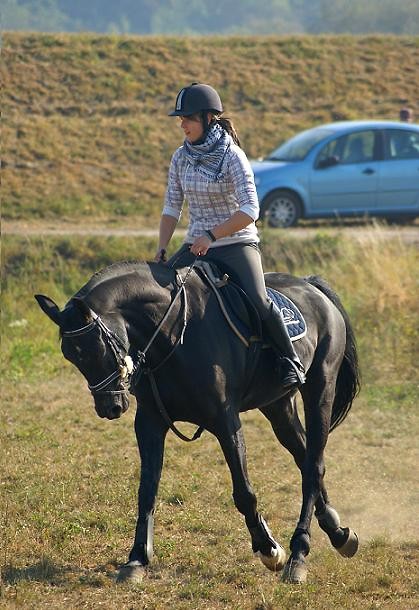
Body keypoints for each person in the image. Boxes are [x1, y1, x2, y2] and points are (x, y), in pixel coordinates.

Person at [154, 83, 305, 390]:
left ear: (209, 119)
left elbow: (251, 210)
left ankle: (291, 361)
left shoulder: (233, 156)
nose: (182, 124)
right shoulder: (180, 157)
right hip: (196, 243)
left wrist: (212, 235)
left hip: (236, 242)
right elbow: (172, 206)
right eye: (180, 119)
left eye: (188, 118)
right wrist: (162, 248)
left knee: (259, 301)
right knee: (163, 299)